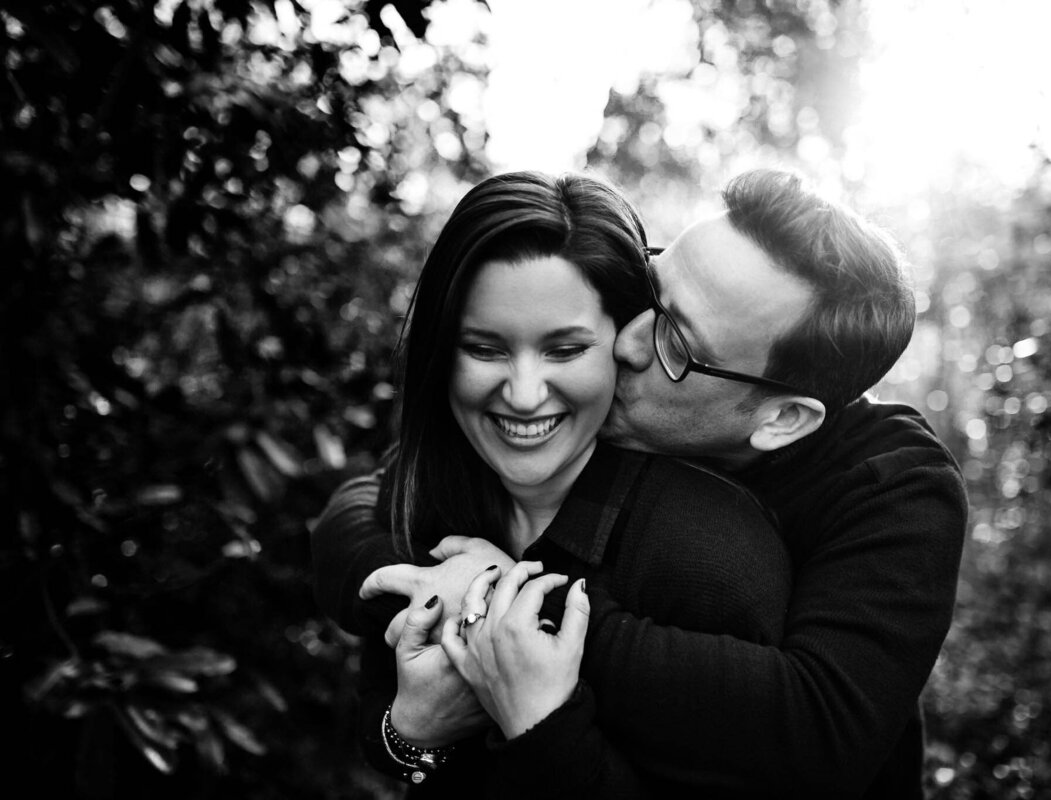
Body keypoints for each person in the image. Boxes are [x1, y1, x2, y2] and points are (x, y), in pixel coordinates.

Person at [313, 169, 968, 798]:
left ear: (781, 419)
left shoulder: (892, 487)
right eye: (651, 291)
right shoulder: (589, 409)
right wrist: (410, 722)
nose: (625, 342)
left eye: (676, 343)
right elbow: (374, 501)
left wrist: (509, 604)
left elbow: (820, 735)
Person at [340, 170, 793, 795]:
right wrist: (411, 730)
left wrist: (543, 724)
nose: (524, 395)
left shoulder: (711, 555)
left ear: (626, 342)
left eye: (564, 350)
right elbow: (380, 720)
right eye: (485, 348)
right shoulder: (429, 498)